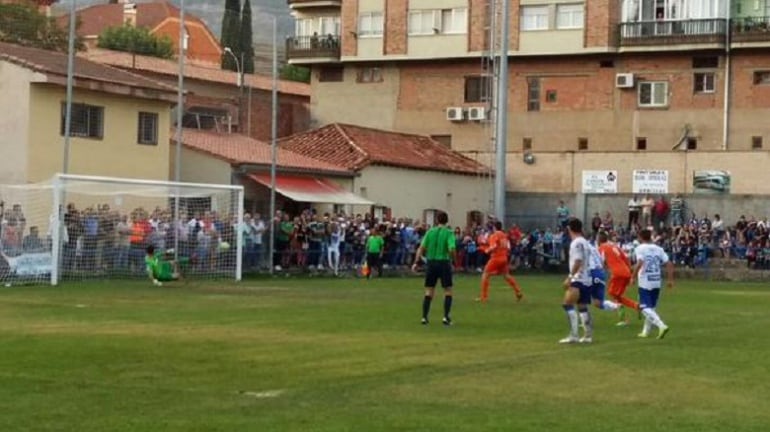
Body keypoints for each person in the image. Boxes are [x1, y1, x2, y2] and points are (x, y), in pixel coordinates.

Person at [412, 212, 456, 326]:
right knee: (448, 290)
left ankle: (424, 317)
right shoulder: (449, 233)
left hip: (431, 263)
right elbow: (451, 249)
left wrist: (416, 262)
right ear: (446, 221)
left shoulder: (430, 232)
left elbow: (421, 248)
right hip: (443, 262)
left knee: (429, 290)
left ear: (437, 220)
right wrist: (454, 260)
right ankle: (446, 317)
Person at [632, 229, 674, 339]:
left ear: (640, 237)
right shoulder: (658, 249)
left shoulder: (640, 248)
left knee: (643, 307)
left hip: (645, 281)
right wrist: (670, 280)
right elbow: (669, 263)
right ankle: (645, 331)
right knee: (651, 307)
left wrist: (632, 277)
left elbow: (640, 262)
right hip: (656, 280)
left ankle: (661, 325)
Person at [560, 218, 593, 344]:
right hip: (586, 278)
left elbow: (578, 261)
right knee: (582, 306)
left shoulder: (576, 243)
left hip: (578, 278)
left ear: (569, 228)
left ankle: (574, 335)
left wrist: (569, 277)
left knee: (567, 304)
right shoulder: (585, 241)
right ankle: (588, 336)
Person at [597, 231, 639, 326]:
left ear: (599, 240)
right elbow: (625, 258)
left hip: (617, 273)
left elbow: (601, 263)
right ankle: (626, 317)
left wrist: (601, 272)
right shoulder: (614, 246)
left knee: (612, 293)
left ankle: (634, 307)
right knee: (617, 296)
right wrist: (630, 273)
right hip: (626, 272)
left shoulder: (601, 248)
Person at [476, 221, 524, 303]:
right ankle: (518, 292)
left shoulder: (494, 235)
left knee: (485, 274)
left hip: (496, 258)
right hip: (504, 258)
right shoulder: (504, 236)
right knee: (506, 275)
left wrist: (486, 250)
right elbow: (508, 247)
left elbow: (493, 246)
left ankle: (484, 297)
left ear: (494, 227)